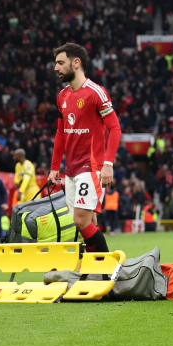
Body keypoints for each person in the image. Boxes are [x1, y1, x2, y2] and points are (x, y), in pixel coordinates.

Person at [46, 42, 120, 253]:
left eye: (60, 63)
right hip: (71, 170)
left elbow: (115, 128)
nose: (56, 68)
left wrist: (108, 164)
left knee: (80, 220)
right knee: (88, 221)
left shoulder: (96, 92)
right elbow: (60, 134)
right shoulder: (62, 96)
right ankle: (93, 270)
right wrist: (54, 167)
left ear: (76, 63)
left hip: (92, 167)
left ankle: (104, 268)